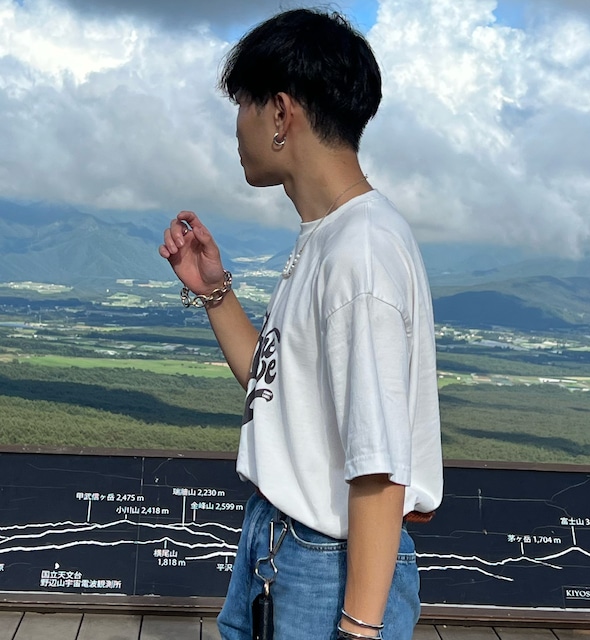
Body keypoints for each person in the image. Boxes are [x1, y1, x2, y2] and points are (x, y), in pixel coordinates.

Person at [159, 8, 442, 640]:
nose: (237, 127)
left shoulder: (358, 254)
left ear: (281, 114)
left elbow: (378, 469)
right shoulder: (329, 236)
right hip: (283, 546)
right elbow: (277, 389)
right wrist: (215, 294)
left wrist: (358, 630)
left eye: (244, 104)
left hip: (325, 567)